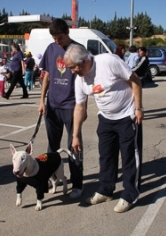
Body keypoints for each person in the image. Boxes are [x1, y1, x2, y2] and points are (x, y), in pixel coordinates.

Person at [64, 43, 144, 213]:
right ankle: (106, 190)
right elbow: (79, 107)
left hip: (127, 116)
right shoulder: (80, 80)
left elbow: (136, 81)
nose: (72, 72)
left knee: (130, 156)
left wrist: (138, 108)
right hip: (106, 119)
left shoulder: (108, 62)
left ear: (84, 61)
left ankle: (130, 194)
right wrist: (75, 135)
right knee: (106, 157)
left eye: (73, 68)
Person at [37, 18, 83, 199]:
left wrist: (82, 105)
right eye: (55, 38)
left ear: (68, 33)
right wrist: (42, 100)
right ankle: (51, 179)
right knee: (52, 147)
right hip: (52, 105)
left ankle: (78, 184)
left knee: (74, 145)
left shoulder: (78, 49)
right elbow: (47, 75)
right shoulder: (51, 49)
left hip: (71, 105)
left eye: (60, 38)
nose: (57, 41)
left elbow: (84, 77)